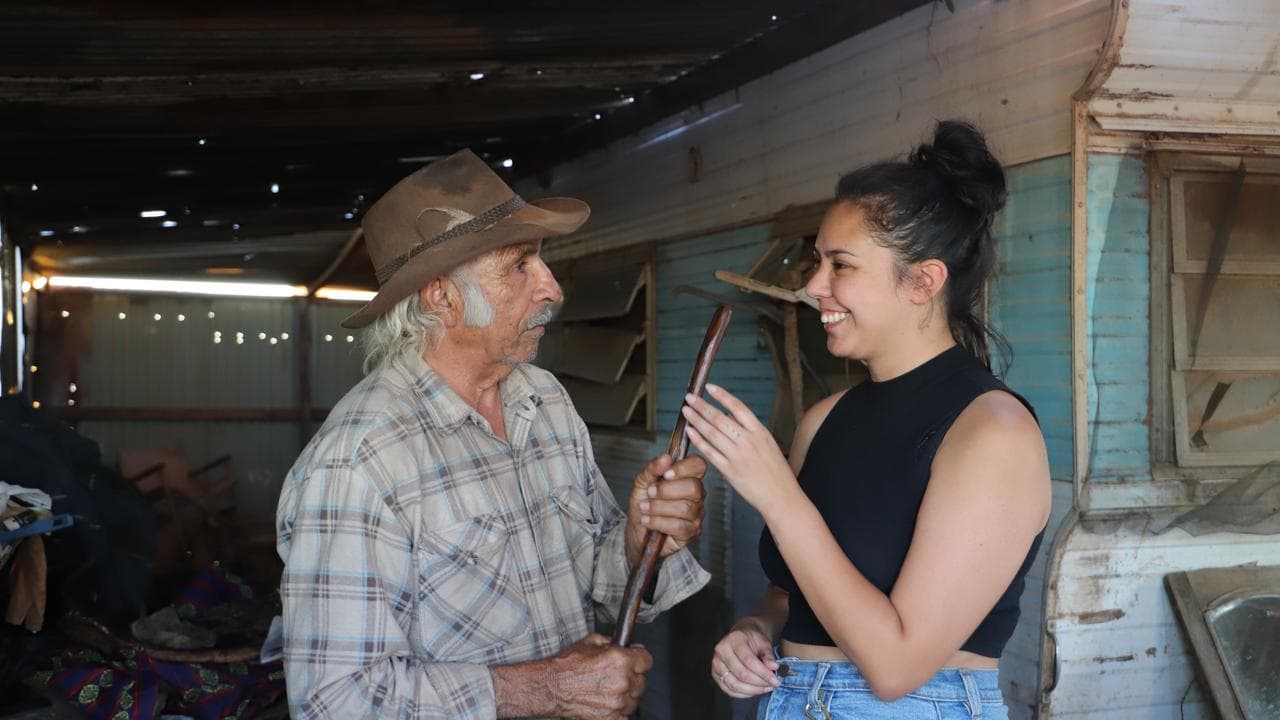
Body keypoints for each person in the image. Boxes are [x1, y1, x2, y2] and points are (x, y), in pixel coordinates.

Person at [276, 149, 711, 720]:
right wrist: (548, 689)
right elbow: (334, 700)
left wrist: (639, 539)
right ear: (442, 296)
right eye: (520, 267)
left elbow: (598, 584)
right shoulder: (359, 462)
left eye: (542, 263)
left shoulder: (545, 400)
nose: (552, 289)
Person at [681, 121, 1051, 719]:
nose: (812, 286)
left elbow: (895, 668)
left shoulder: (992, 432)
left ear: (924, 281)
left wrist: (778, 495)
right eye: (816, 262)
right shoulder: (823, 420)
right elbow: (798, 590)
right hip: (792, 697)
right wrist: (757, 627)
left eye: (840, 265)